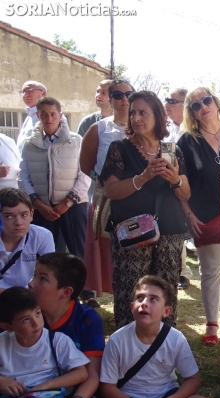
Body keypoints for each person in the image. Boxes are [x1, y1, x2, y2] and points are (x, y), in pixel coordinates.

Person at [99, 275, 220, 398]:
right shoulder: (117, 340)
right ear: (132, 307)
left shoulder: (175, 338)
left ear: (166, 311)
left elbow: (193, 379)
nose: (145, 303)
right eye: (140, 298)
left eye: (153, 299)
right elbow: (107, 387)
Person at [99, 91, 190, 328]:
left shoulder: (173, 150)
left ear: (157, 117)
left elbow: (186, 193)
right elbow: (111, 191)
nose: (136, 118)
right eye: (133, 113)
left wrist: (175, 179)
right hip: (132, 233)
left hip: (169, 232)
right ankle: (129, 352)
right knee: (132, 293)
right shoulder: (119, 148)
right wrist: (143, 177)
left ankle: (164, 349)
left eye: (142, 113)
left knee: (165, 292)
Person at [27, 252, 106, 398]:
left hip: (74, 394)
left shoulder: (87, 319)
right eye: (34, 275)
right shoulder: (25, 316)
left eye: (42, 279)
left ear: (66, 292)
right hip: (29, 392)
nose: (31, 283)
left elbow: (92, 376)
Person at [178, 87, 220, 345]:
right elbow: (178, 183)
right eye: (195, 105)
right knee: (210, 272)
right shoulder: (187, 141)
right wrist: (188, 214)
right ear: (191, 113)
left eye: (206, 100)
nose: (203, 106)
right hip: (205, 215)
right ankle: (212, 324)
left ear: (216, 102)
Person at [79, 79, 135, 301]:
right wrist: (99, 180)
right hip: (106, 200)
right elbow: (85, 164)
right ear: (110, 99)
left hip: (136, 199)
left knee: (133, 249)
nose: (124, 99)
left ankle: (131, 299)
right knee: (108, 251)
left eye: (128, 94)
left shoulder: (142, 127)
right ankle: (115, 300)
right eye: (118, 94)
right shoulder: (99, 128)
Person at [18, 97, 90, 261]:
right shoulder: (29, 144)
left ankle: (84, 287)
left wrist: (67, 202)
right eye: (44, 114)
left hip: (73, 206)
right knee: (45, 255)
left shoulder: (76, 140)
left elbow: (85, 173)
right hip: (42, 208)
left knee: (79, 253)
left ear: (60, 115)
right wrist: (38, 204)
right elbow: (23, 176)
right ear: (37, 115)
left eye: (53, 114)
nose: (49, 119)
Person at [164, 88, 193, 291]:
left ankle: (186, 271)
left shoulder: (191, 129)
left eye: (172, 100)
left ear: (184, 105)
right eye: (166, 99)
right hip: (167, 189)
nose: (167, 103)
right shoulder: (163, 128)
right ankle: (182, 272)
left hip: (188, 187)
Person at [0, 188, 54, 291]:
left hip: (24, 296)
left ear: (31, 214)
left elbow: (51, 273)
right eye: (9, 216)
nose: (18, 222)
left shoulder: (42, 235)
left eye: (24, 215)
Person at [16, 81, 46, 148]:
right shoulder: (30, 115)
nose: (25, 95)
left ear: (43, 93)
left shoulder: (51, 114)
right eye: (23, 92)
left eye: (29, 91)